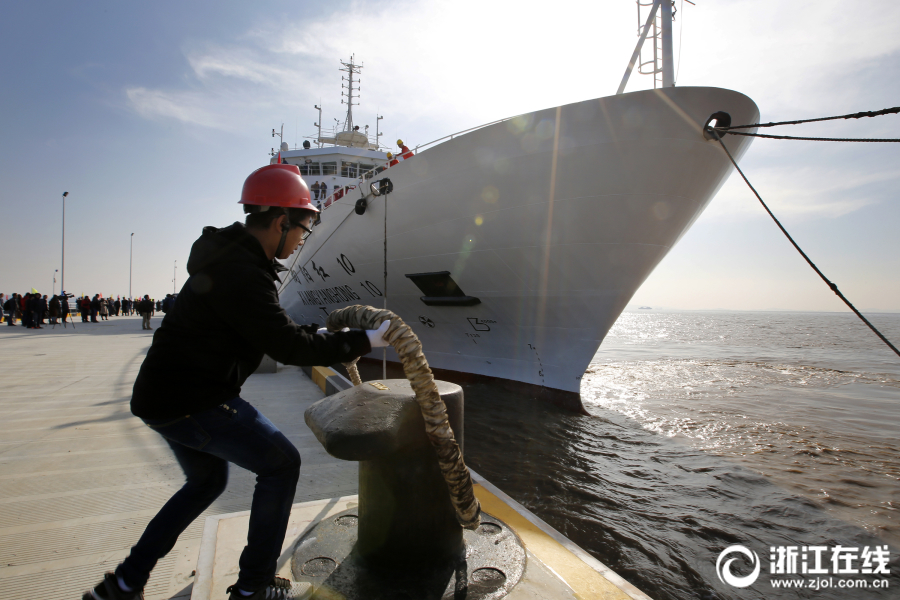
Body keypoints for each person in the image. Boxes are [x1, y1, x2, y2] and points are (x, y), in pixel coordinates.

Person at [83, 161, 390, 600]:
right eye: (303, 227)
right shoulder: (243, 273)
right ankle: (254, 589)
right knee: (281, 464)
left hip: (164, 396)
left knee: (206, 483)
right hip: (194, 399)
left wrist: (331, 336)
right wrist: (365, 341)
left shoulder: (232, 260)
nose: (304, 238)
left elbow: (273, 329)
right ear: (282, 221)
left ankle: (124, 584)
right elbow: (286, 346)